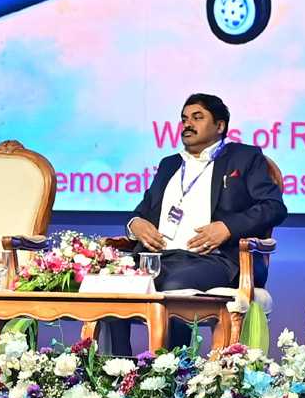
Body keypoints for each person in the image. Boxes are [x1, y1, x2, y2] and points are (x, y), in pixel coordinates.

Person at [99, 93, 286, 355]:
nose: (187, 124)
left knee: (174, 286)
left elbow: (273, 207)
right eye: (184, 118)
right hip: (157, 258)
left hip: (214, 259)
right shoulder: (170, 164)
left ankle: (172, 368)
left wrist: (227, 228)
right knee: (111, 282)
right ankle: (119, 365)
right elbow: (143, 211)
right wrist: (135, 224)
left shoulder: (244, 158)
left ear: (219, 126)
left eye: (197, 118)